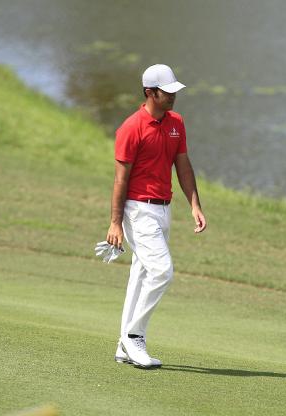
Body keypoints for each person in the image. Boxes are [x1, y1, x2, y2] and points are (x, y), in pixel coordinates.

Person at [106, 64, 207, 368]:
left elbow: (183, 166)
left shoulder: (176, 122)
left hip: (164, 209)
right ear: (150, 92)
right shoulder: (131, 127)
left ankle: (124, 346)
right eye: (167, 92)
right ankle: (134, 335)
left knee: (141, 274)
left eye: (175, 91)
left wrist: (195, 205)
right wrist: (114, 222)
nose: (173, 97)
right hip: (137, 210)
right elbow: (120, 180)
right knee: (162, 271)